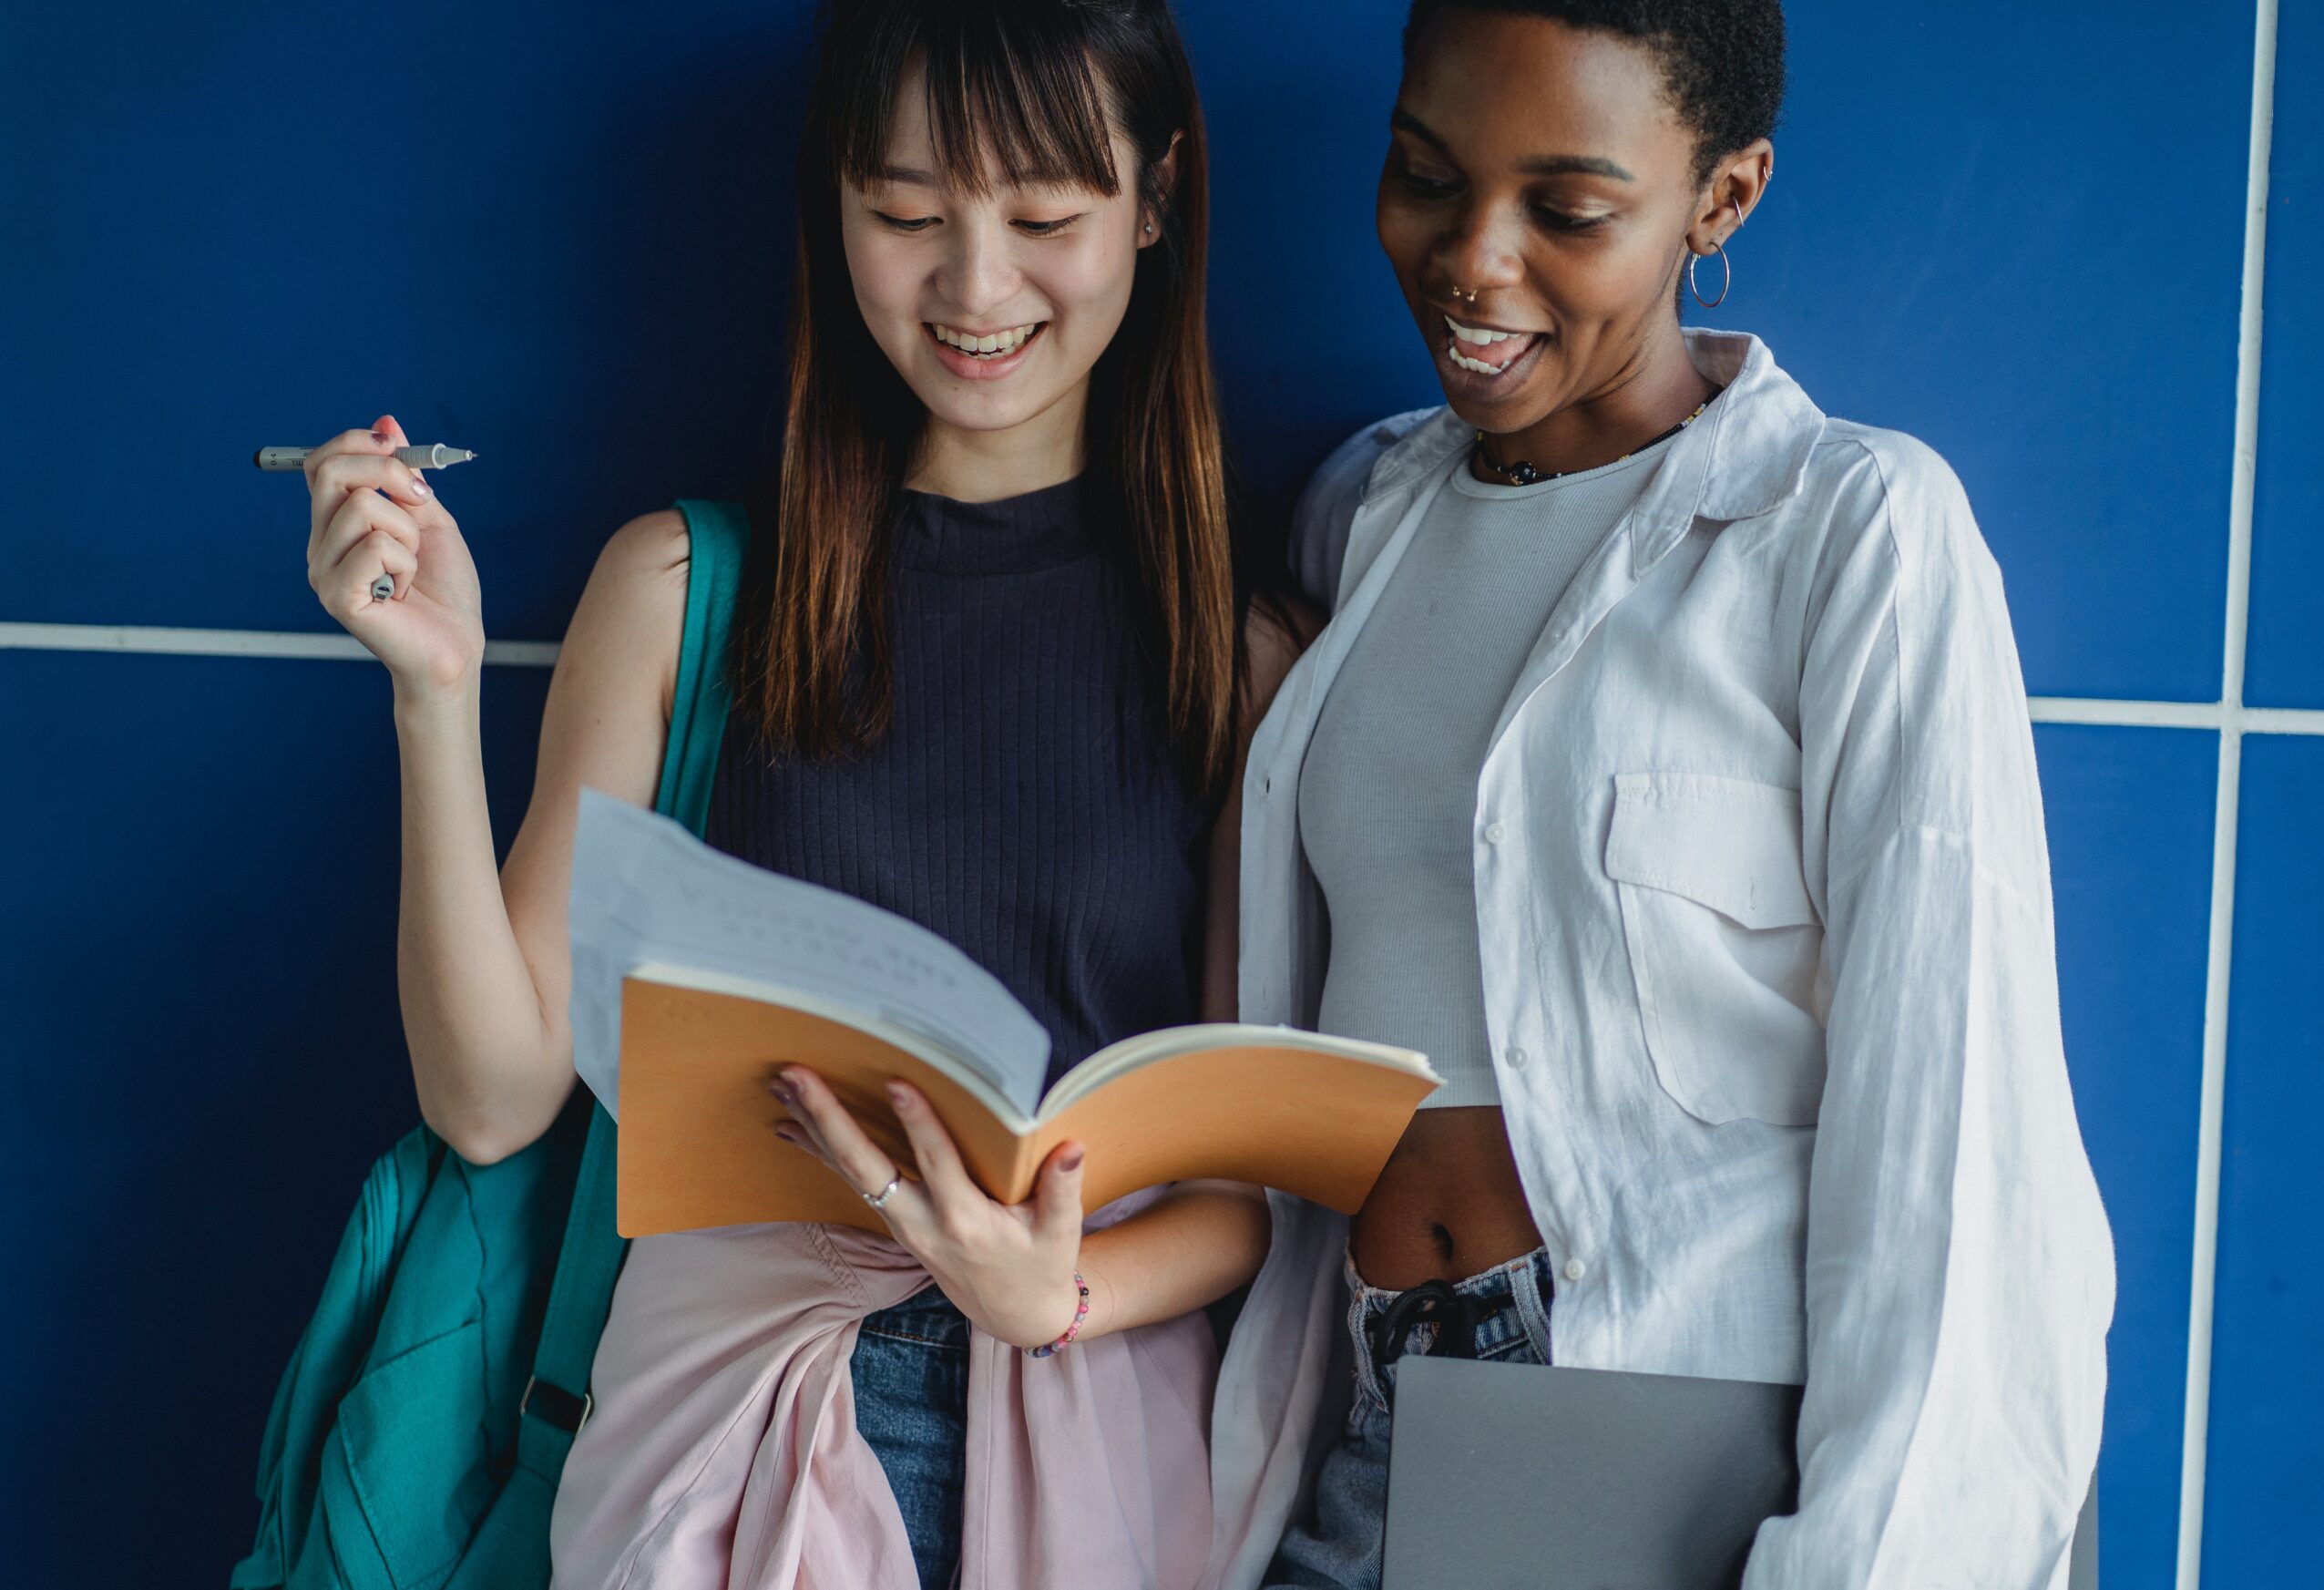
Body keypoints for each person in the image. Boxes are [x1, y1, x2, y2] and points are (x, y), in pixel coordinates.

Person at [295, 3, 1302, 1585]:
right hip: (728, 1418)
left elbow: (1246, 1193)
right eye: (906, 213)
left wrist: (1058, 1295)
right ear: (835, 200)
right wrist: (434, 692)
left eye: (1044, 216)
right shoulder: (684, 589)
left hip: (1097, 1430)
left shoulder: (1236, 658)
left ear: (1157, 199)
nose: (974, 287)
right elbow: (492, 1096)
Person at [1203, 4, 2116, 1587]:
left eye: (1565, 210)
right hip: (1366, 1422)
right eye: (1426, 173)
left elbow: (1961, 1168)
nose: (1473, 259)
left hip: (1678, 1454)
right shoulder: (1358, 514)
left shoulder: (1850, 537)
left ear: (1722, 197)